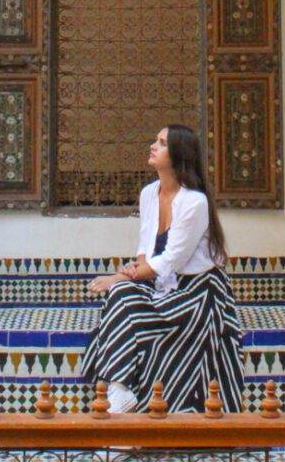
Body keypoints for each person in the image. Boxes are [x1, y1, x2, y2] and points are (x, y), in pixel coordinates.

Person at [80, 123, 245, 414]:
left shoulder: (194, 202)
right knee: (120, 296)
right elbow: (145, 250)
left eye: (162, 142)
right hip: (163, 283)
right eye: (155, 139)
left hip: (198, 292)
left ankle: (138, 403)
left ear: (179, 154)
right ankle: (119, 389)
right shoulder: (149, 193)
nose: (153, 146)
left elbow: (171, 260)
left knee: (126, 297)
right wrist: (122, 281)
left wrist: (119, 275)